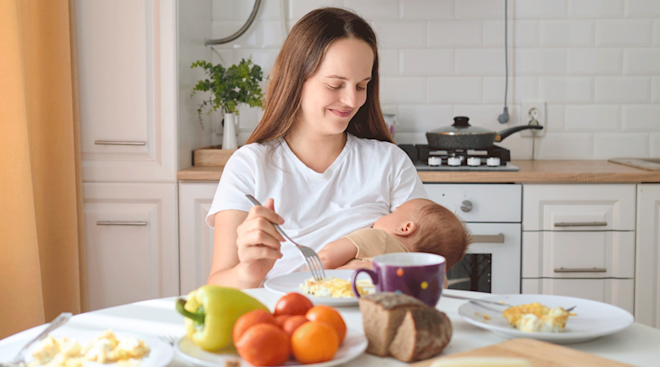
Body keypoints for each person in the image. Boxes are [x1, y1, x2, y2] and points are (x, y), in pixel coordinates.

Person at [206, 7, 427, 289]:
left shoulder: (389, 163)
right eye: (335, 84)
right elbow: (216, 288)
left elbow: (432, 270)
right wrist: (249, 271)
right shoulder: (249, 165)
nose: (351, 100)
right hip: (280, 322)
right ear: (297, 79)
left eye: (362, 86)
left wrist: (368, 263)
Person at [317, 199, 470, 271]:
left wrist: (306, 282)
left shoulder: (379, 237)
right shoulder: (414, 274)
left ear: (405, 228)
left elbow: (325, 257)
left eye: (394, 212)